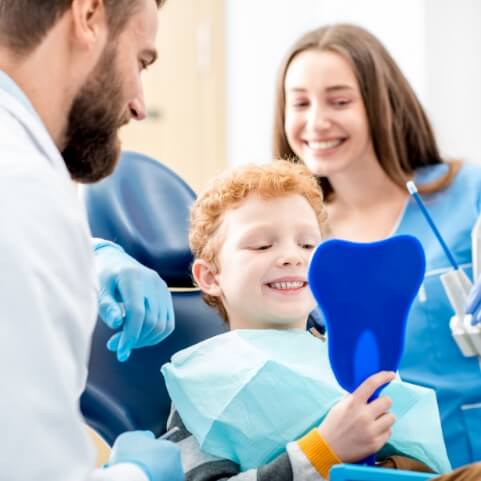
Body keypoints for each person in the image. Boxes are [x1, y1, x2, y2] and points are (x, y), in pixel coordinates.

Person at [160, 160, 471, 481]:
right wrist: (323, 451)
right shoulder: (204, 384)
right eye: (263, 245)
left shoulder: (349, 360)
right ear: (210, 276)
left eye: (308, 245)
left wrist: (390, 464)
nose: (293, 256)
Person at [271, 23, 481, 468]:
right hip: (369, 467)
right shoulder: (292, 236)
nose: (316, 122)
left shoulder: (469, 194)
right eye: (300, 102)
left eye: (339, 101)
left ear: (381, 104)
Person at [0, 1, 183, 480]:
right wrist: (138, 475)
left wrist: (91, 254)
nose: (139, 104)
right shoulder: (23, 190)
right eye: (140, 62)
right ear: (88, 16)